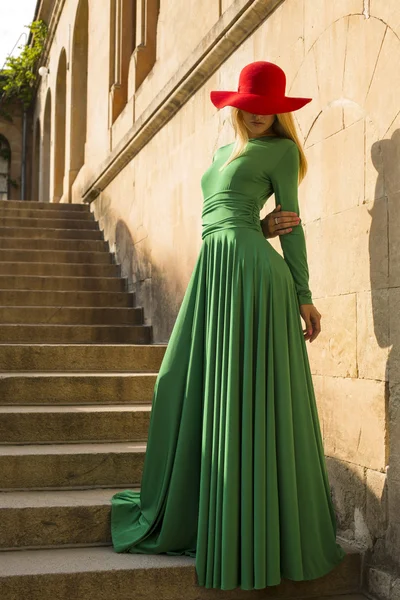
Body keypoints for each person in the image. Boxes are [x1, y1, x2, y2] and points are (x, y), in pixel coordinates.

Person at [110, 61, 347, 591]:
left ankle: (255, 531)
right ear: (237, 105)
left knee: (247, 398)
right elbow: (226, 217)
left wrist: (304, 294)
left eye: (270, 106)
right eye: (252, 104)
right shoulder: (221, 153)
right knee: (176, 380)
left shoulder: (283, 152)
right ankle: (200, 509)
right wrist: (253, 225)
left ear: (279, 111)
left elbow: (293, 224)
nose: (260, 113)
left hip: (255, 281)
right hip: (213, 274)